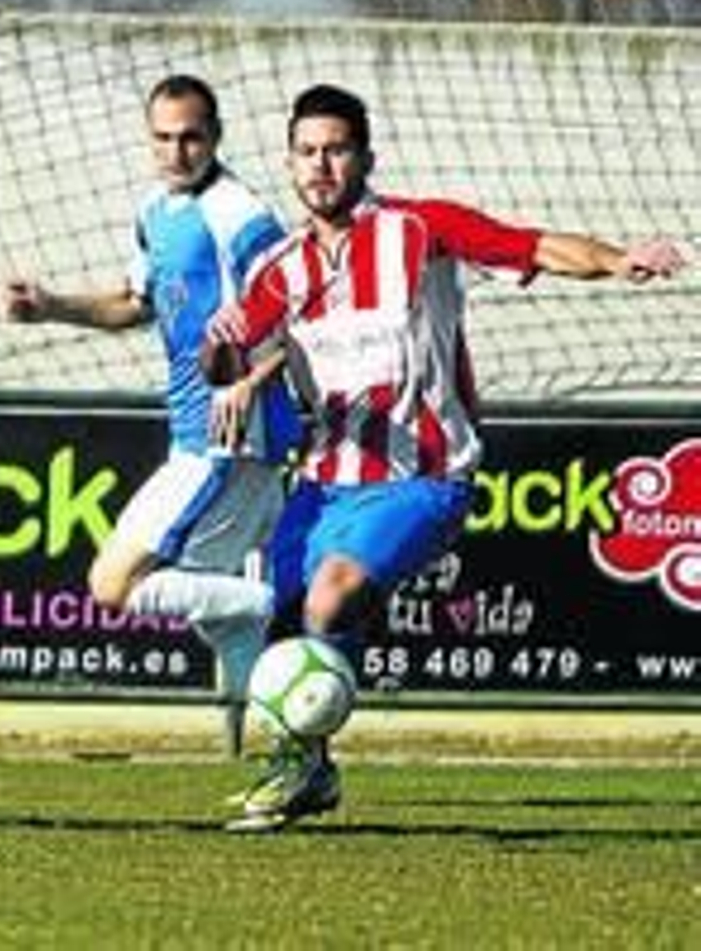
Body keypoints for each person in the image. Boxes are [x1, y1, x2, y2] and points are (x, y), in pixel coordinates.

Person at [206, 83, 689, 832]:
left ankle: (305, 759)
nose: (321, 166)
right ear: (289, 163)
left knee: (330, 598)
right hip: (326, 482)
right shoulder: (279, 270)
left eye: (336, 149)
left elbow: (534, 245)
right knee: (282, 625)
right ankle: (308, 772)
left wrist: (620, 258)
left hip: (425, 477)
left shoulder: (419, 230)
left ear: (365, 156)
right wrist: (219, 344)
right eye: (307, 152)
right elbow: (224, 362)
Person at [1, 74, 299, 739]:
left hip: (230, 436)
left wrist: (253, 379)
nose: (176, 151)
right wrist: (50, 306)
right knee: (214, 614)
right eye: (163, 138)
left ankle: (279, 601)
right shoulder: (155, 211)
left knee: (113, 582)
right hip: (193, 432)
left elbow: (304, 314)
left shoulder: (241, 217)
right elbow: (133, 306)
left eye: (191, 137)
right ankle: (292, 751)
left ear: (215, 137)